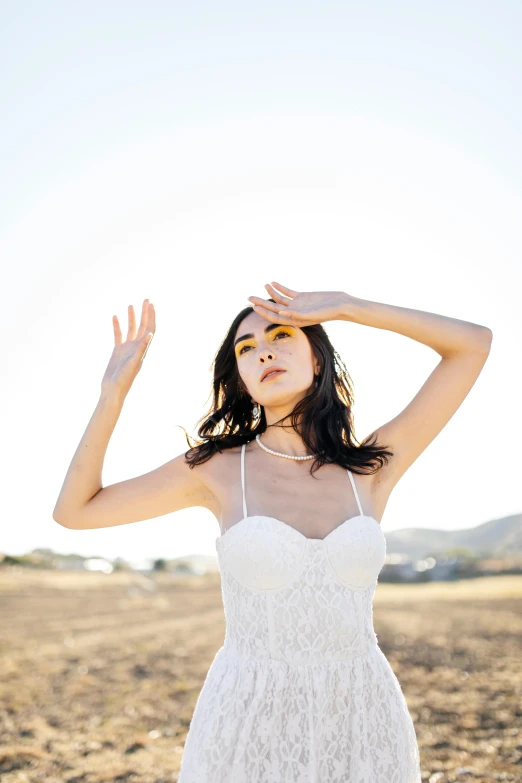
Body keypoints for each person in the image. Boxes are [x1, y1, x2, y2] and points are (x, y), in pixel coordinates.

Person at [53, 282, 493, 782]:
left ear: (318, 359)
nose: (263, 351)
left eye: (281, 335)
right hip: (247, 714)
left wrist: (348, 307)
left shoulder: (370, 469)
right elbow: (76, 511)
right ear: (240, 379)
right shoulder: (216, 468)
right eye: (246, 348)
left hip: (361, 714)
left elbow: (473, 344)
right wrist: (113, 393)